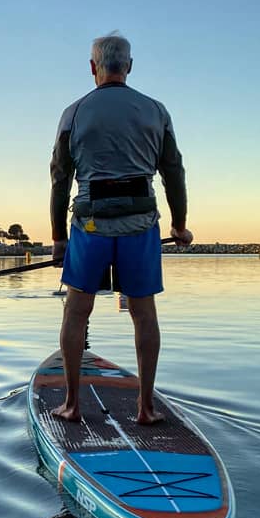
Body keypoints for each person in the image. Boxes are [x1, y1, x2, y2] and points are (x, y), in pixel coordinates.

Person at [49, 33, 194, 425]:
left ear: (93, 67)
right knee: (143, 313)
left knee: (77, 311)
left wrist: (59, 239)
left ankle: (73, 404)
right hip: (141, 225)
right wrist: (179, 226)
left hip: (90, 226)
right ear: (129, 65)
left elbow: (60, 179)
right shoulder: (156, 111)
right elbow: (173, 173)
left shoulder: (73, 113)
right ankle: (146, 408)